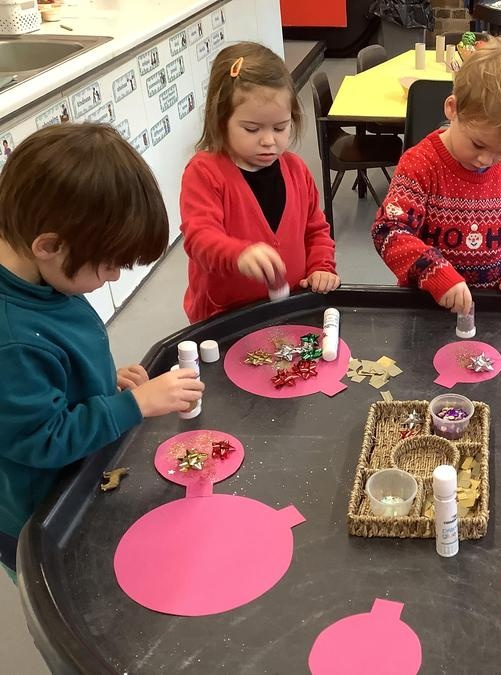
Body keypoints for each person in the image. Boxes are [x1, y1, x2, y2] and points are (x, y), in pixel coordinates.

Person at [0, 124, 204, 580]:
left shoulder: (44, 278)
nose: (113, 277)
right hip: (44, 516)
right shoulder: (11, 339)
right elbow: (44, 438)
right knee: (74, 592)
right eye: (109, 264)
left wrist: (99, 384)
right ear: (49, 246)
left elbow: (51, 374)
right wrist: (134, 404)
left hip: (77, 475)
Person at [371, 37, 501, 316]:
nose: (485, 160)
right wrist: (435, 272)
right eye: (478, 145)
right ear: (453, 108)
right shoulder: (420, 164)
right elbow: (389, 230)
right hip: (426, 304)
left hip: (492, 304)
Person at [180, 42, 338, 323]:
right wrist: (237, 255)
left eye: (280, 127)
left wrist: (321, 266)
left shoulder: (297, 170)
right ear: (221, 120)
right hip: (224, 317)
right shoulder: (205, 173)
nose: (268, 140)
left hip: (290, 309)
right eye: (252, 129)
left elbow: (315, 230)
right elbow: (199, 237)